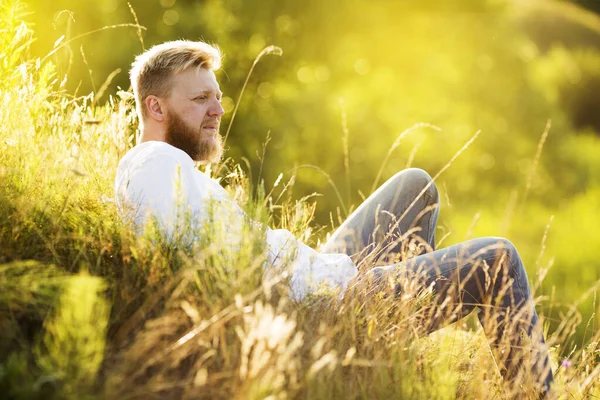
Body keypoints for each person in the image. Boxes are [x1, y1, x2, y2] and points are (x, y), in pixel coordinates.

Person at [114, 40, 554, 396]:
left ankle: (399, 355)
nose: (218, 111)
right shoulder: (155, 165)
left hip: (322, 277)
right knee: (498, 259)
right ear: (156, 108)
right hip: (326, 308)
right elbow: (212, 270)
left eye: (217, 98)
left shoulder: (168, 167)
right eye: (200, 99)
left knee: (415, 185)